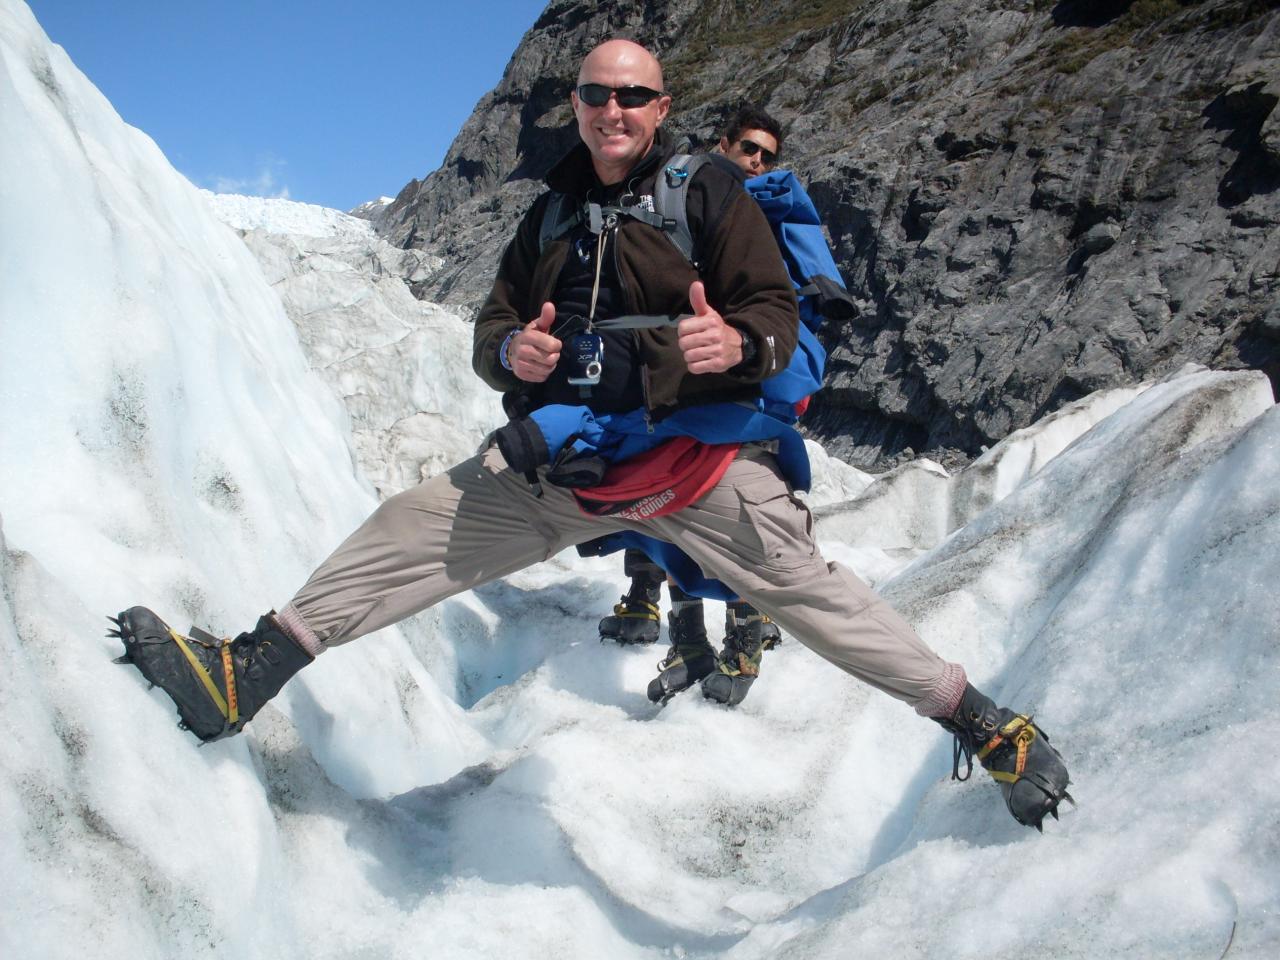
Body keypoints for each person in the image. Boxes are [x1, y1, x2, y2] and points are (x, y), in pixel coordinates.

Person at [112, 39, 1072, 831]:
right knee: (414, 527)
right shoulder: (550, 218)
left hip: (698, 462)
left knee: (819, 597)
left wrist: (733, 338)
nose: (612, 110)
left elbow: (774, 313)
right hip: (568, 465)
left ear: (661, 109)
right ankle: (243, 676)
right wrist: (512, 360)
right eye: (595, 95)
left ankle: (991, 728)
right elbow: (495, 330)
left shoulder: (710, 196)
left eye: (633, 96)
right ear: (575, 106)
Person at [596, 104, 792, 710]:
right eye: (749, 148)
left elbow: (781, 306)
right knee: (663, 513)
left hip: (745, 390)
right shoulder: (692, 204)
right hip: (672, 390)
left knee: (734, 524)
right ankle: (686, 637)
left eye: (767, 154)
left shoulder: (765, 214)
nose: (757, 160)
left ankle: (741, 643)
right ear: (723, 144)